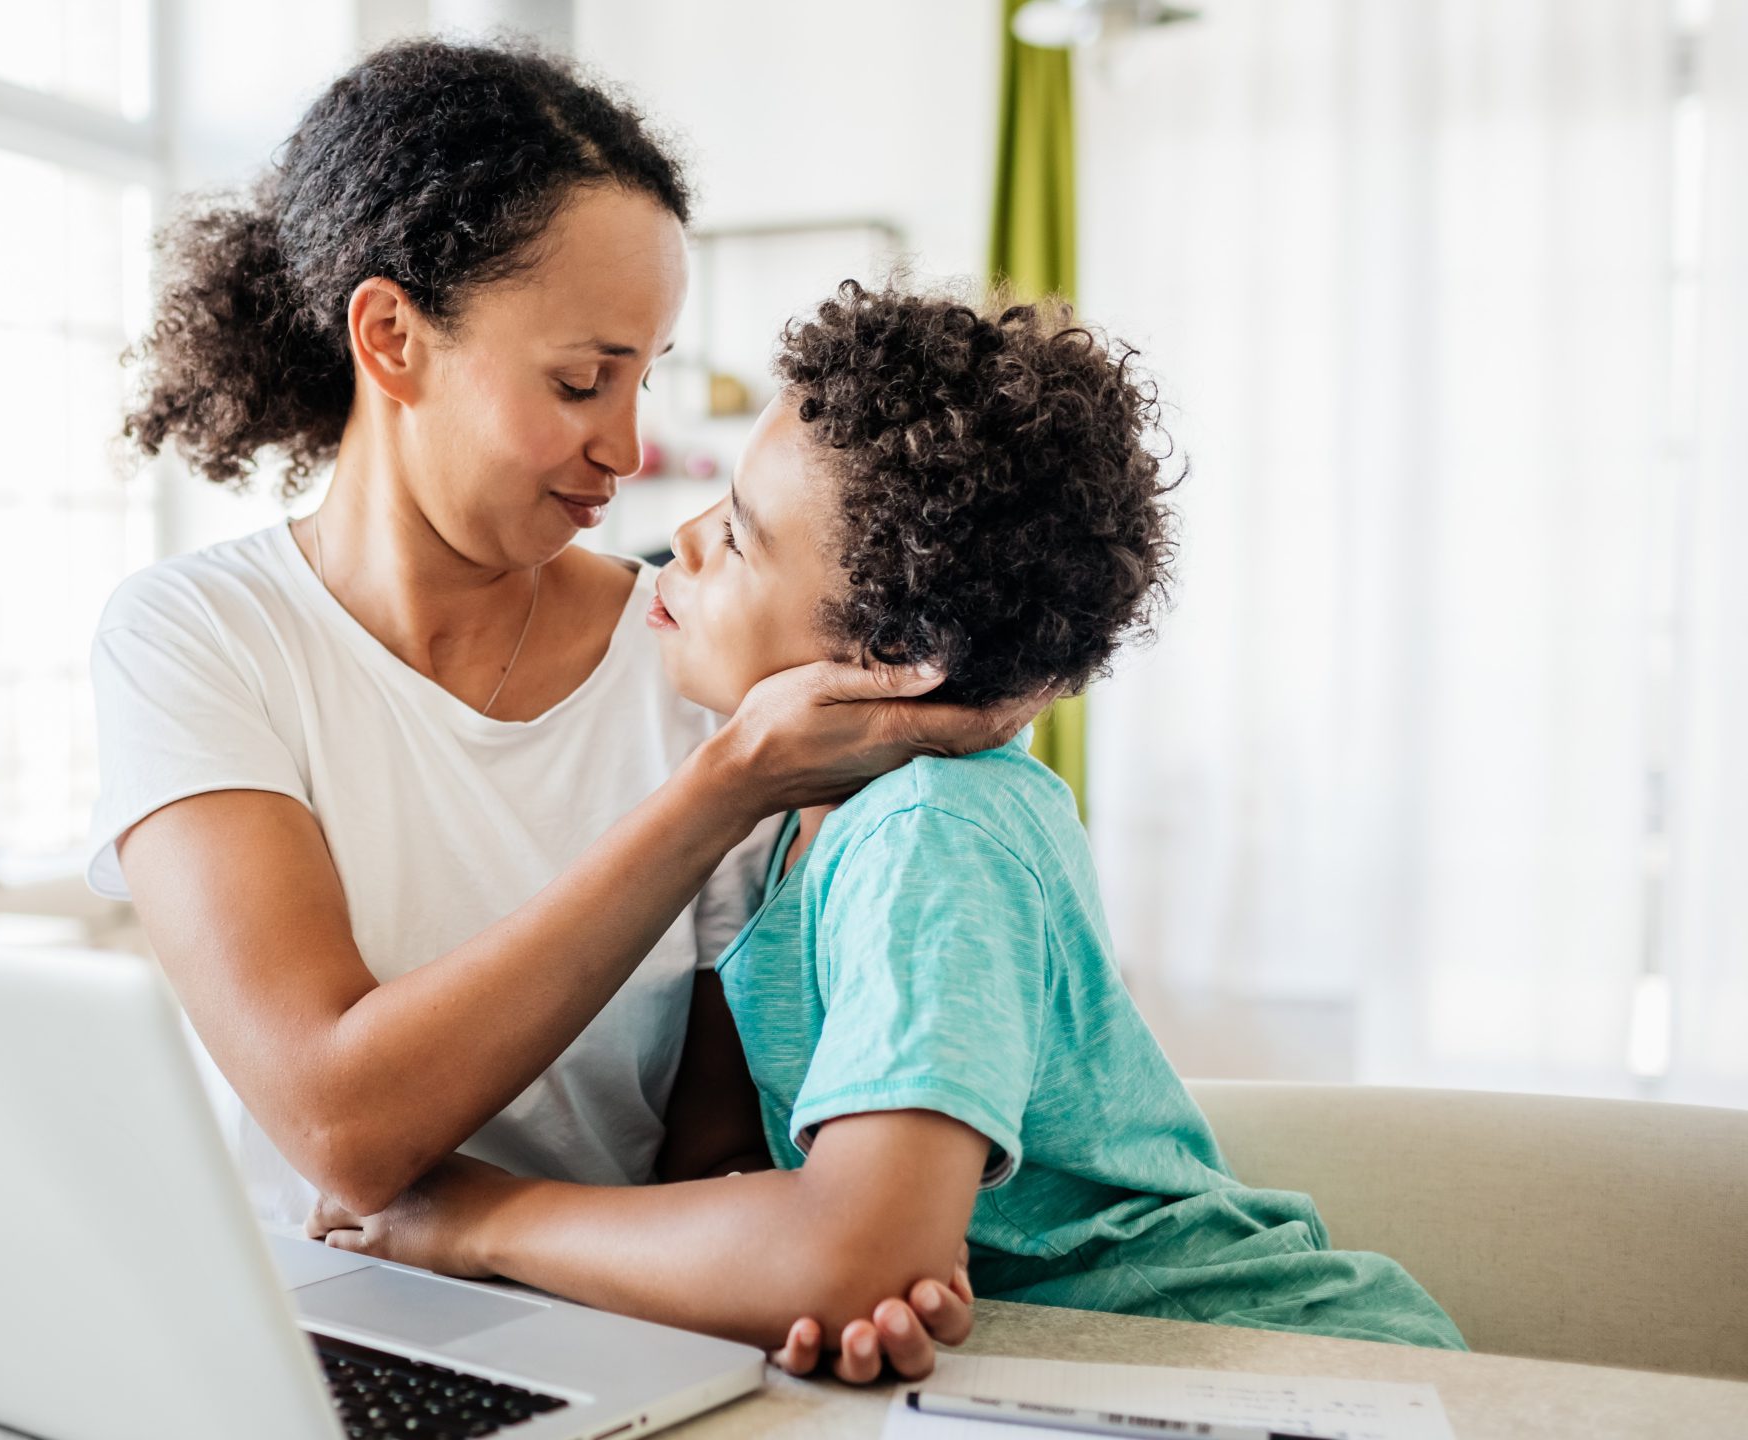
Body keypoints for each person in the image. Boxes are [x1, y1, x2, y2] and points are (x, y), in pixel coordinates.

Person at [91, 41, 1036, 1380]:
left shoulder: (703, 662)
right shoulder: (196, 640)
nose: (631, 445)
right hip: (306, 1324)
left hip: (612, 1337)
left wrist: (813, 1287)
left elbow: (715, 1148)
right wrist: (716, 796)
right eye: (583, 380)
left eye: (647, 374)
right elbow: (342, 1131)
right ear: (392, 339)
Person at [307, 284, 1468, 1353]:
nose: (688, 542)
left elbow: (851, 1254)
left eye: (744, 535)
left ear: (898, 657)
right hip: (1050, 1374)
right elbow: (776, 1212)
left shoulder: (931, 833)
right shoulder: (804, 826)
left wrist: (475, 1219)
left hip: (1267, 1368)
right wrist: (803, 1265)